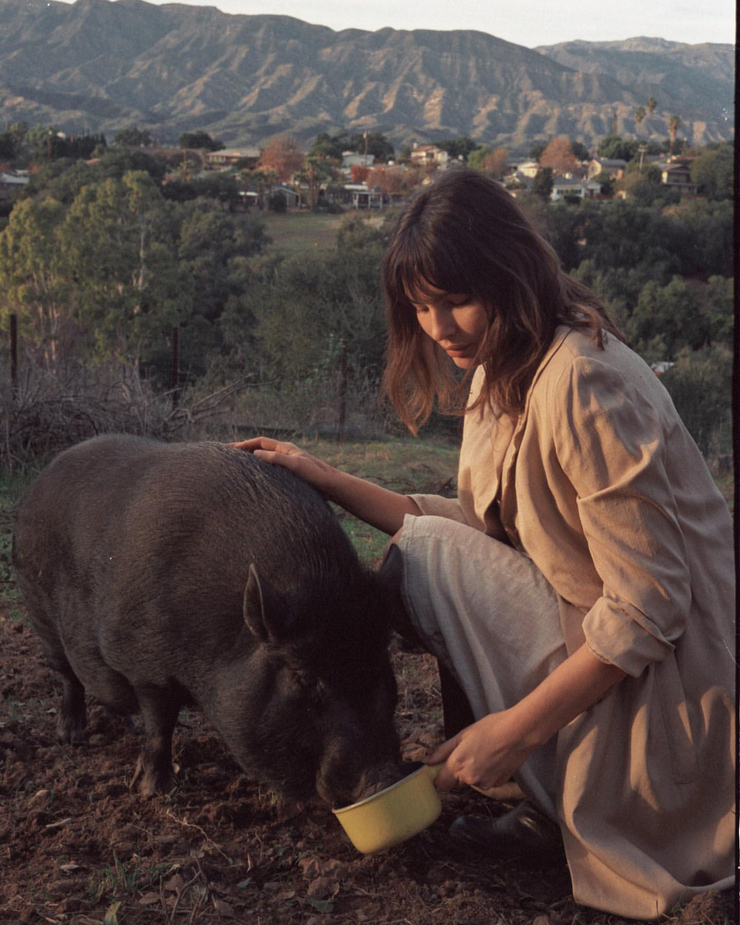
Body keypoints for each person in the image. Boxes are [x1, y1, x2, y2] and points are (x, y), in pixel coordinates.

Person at [232, 169, 735, 920]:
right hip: (601, 633)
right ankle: (537, 790)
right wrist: (322, 475)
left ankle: (541, 789)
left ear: (511, 276)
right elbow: (481, 531)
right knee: (420, 556)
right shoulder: (503, 368)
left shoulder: (582, 384)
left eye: (456, 299)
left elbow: (650, 607)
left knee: (424, 556)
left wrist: (510, 730)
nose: (439, 327)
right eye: (421, 306)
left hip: (681, 688)